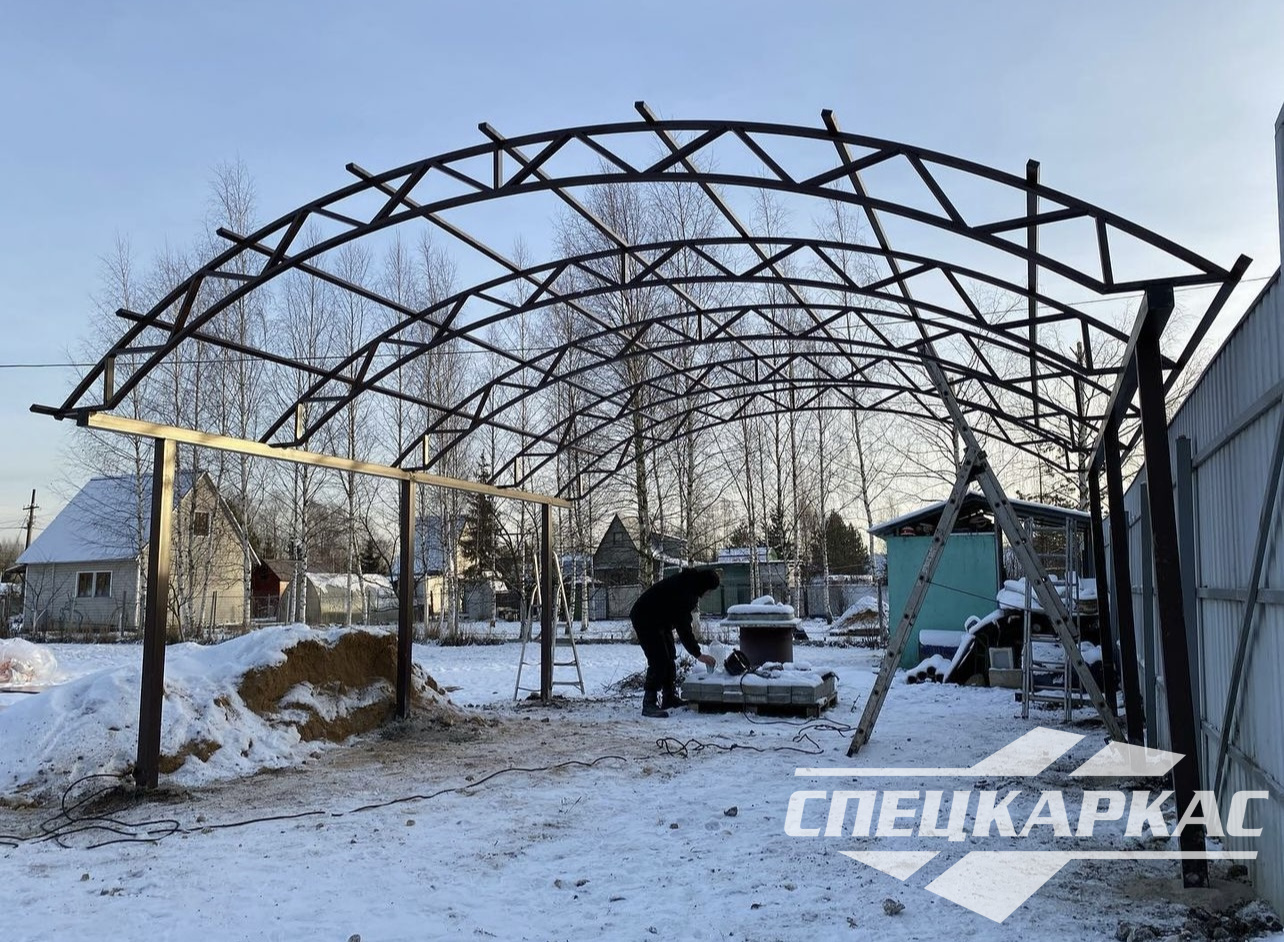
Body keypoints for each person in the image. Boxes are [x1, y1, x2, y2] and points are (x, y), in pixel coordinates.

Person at [629, 568, 721, 717]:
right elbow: (684, 628)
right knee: (659, 659)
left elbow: (681, 621)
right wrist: (698, 654)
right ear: (705, 586)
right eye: (709, 591)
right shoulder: (686, 591)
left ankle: (669, 697)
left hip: (660, 620)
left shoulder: (689, 585)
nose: (708, 594)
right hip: (645, 618)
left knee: (670, 656)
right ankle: (649, 703)